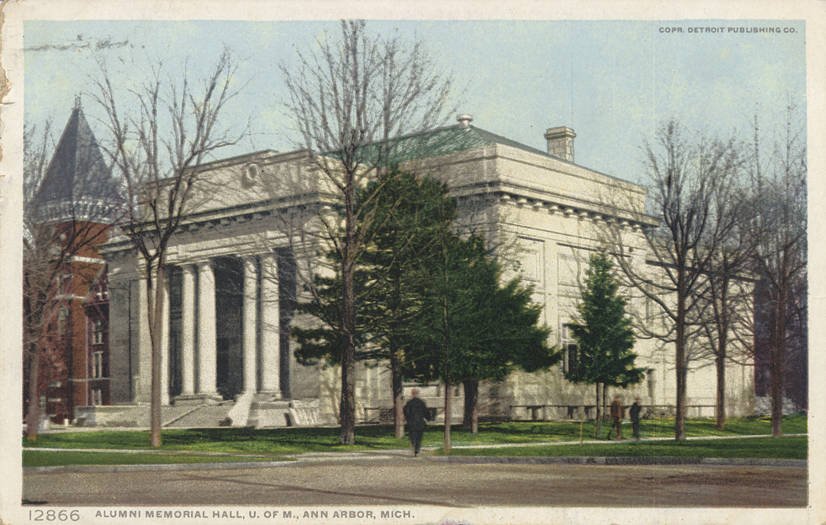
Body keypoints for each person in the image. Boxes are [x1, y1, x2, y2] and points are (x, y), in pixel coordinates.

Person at [403, 388, 431, 456]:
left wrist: (407, 418)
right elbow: (426, 411)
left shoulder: (409, 403)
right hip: (420, 422)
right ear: (418, 394)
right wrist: (428, 418)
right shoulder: (422, 402)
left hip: (411, 422)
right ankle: (417, 449)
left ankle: (414, 446)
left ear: (412, 394)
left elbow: (406, 411)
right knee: (419, 437)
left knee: (412, 436)